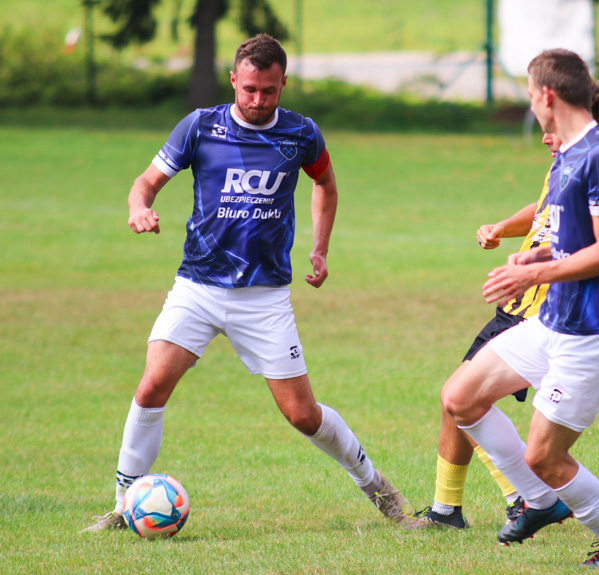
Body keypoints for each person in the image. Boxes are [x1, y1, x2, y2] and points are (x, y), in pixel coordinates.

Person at [82, 34, 412, 532]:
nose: (258, 101)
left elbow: (325, 184)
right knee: (151, 387)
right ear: (234, 81)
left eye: (270, 91)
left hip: (265, 297)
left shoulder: (301, 135)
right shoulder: (200, 126)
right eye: (250, 89)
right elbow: (145, 182)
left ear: (284, 85)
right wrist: (138, 208)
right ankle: (122, 505)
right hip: (198, 287)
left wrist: (320, 249)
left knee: (302, 415)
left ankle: (376, 486)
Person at [412, 81, 599, 533]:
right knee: (458, 399)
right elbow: (541, 212)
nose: (543, 135)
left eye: (549, 125)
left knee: (466, 403)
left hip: (553, 319)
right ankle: (493, 503)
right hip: (517, 310)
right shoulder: (563, 167)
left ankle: (501, 503)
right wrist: (502, 228)